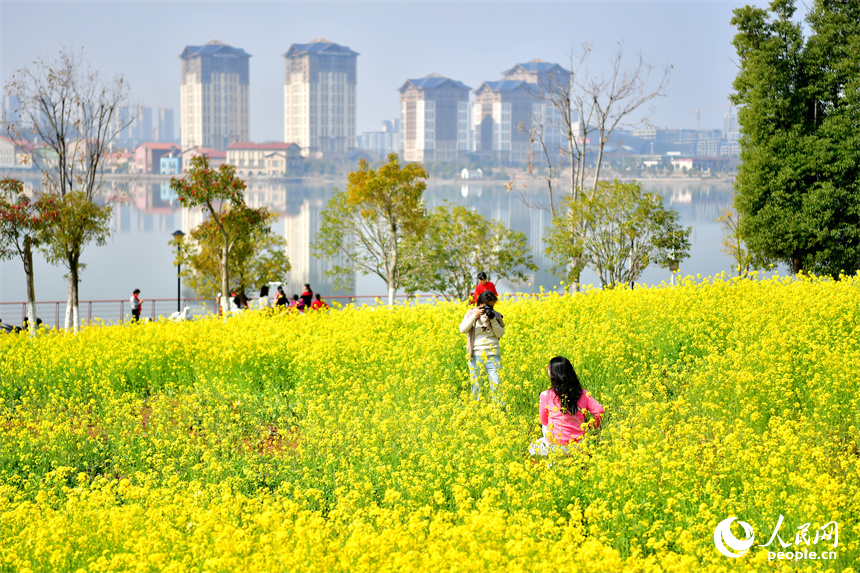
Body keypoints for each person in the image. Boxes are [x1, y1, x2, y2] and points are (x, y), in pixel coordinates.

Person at [529, 356, 604, 456]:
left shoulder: (545, 395)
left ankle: (553, 457)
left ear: (553, 374)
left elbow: (544, 421)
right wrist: (590, 427)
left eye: (548, 368)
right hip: (580, 445)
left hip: (556, 447)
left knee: (533, 447)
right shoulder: (582, 393)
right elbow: (599, 411)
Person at [459, 290, 505, 403]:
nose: (489, 308)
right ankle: (477, 411)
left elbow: (500, 334)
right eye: (487, 306)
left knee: (497, 386)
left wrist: (493, 319)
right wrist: (474, 316)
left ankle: (499, 411)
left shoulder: (496, 316)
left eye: (491, 306)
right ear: (480, 305)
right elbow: (462, 329)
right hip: (475, 356)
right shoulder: (471, 314)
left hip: (493, 355)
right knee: (476, 386)